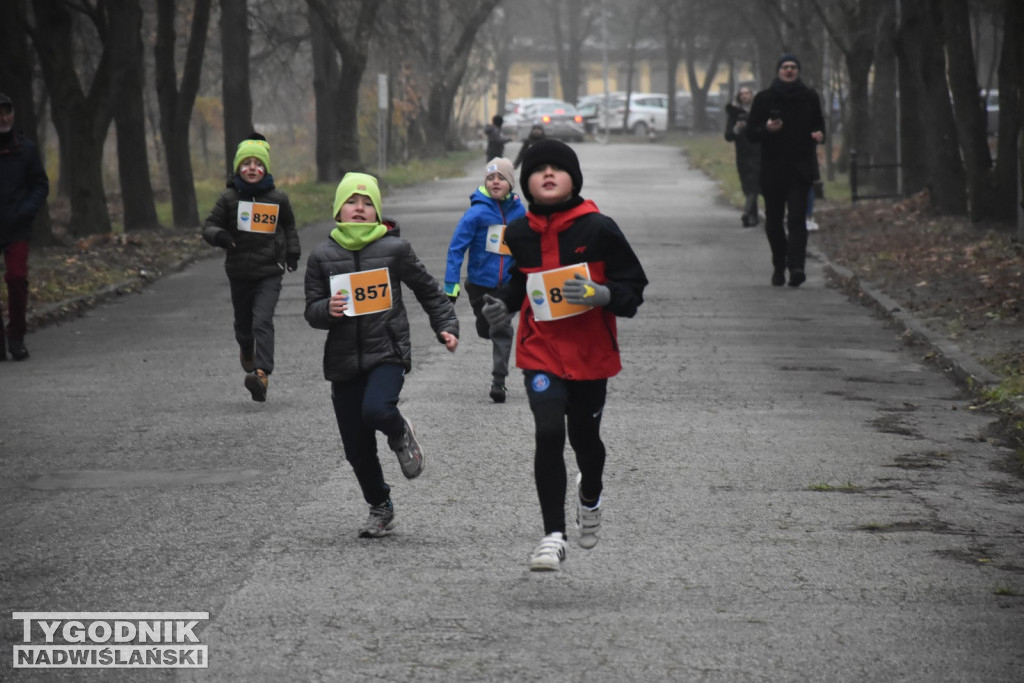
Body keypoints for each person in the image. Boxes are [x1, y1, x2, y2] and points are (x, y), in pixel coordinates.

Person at [480, 139, 648, 572]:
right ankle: (552, 536)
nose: (548, 174)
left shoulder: (599, 228)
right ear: (528, 185)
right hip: (541, 352)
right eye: (538, 170)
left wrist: (603, 293)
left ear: (574, 178)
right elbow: (518, 284)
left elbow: (634, 290)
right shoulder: (518, 233)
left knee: (586, 443)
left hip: (591, 355)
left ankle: (590, 492)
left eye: (558, 168)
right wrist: (501, 306)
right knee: (549, 431)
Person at [304, 172, 459, 538]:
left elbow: (428, 291)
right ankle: (380, 507)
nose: (360, 208)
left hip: (387, 351)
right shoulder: (321, 257)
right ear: (338, 210)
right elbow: (311, 311)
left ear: (377, 212)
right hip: (342, 362)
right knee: (356, 449)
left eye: (368, 203)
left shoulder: (394, 249)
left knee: (376, 409)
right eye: (352, 202)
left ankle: (399, 431)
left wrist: (446, 325)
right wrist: (327, 308)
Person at [202, 133, 300, 401]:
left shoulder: (278, 198)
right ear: (238, 169)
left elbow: (289, 226)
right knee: (244, 326)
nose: (252, 168)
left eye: (258, 163)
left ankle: (261, 374)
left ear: (266, 168)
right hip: (240, 272)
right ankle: (246, 347)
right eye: (246, 164)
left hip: (270, 271)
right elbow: (209, 226)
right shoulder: (228, 198)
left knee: (262, 321)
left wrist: (293, 253)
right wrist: (220, 236)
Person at [444, 157, 525, 403]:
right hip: (480, 284)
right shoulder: (476, 213)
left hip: (508, 285)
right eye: (490, 178)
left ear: (510, 183)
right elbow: (456, 248)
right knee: (486, 327)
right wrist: (451, 283)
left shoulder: (520, 212)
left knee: (502, 328)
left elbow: (528, 244)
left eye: (501, 177)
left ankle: (498, 382)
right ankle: (485, 325)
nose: (495, 181)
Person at [746, 54, 825, 287]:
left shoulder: (809, 97)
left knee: (798, 219)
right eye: (785, 67)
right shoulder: (764, 99)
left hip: (801, 169)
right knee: (773, 220)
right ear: (778, 71)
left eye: (793, 67)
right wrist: (767, 129)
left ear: (798, 71)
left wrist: (819, 134)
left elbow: (819, 123)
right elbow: (751, 133)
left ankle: (796, 266)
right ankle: (778, 265)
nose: (789, 71)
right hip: (773, 169)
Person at [0, 93, 49, 361]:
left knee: (17, 279)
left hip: (16, 226)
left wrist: (26, 211)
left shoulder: (25, 149)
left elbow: (41, 184)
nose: (4, 118)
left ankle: (16, 337)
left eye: (7, 112)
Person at [724, 86, 761, 227]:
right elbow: (728, 136)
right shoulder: (734, 114)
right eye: (742, 94)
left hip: (760, 152)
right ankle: (751, 214)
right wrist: (737, 129)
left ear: (752, 95)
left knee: (759, 184)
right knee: (748, 185)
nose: (745, 96)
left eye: (747, 93)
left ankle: (752, 214)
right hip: (744, 154)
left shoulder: (760, 111)